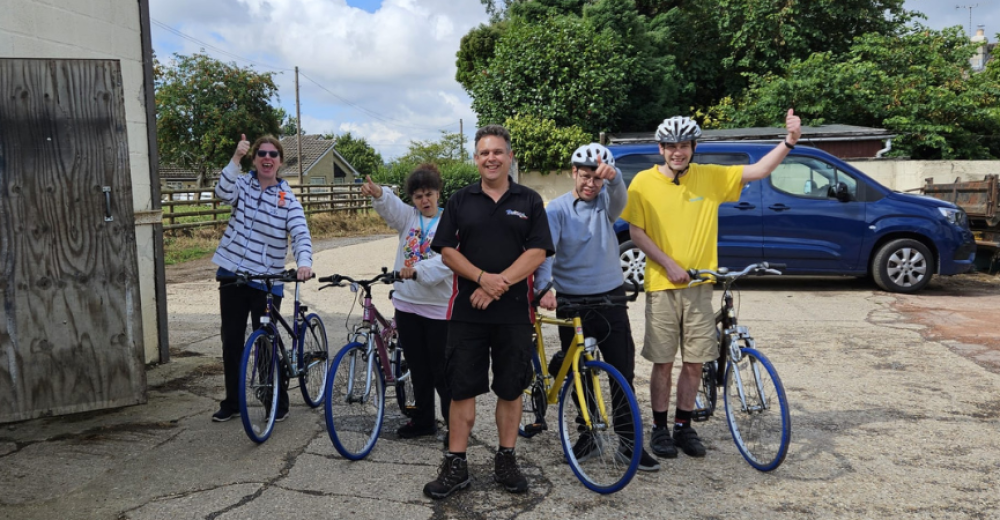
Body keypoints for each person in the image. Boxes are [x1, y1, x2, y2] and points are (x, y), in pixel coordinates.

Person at [621, 110, 801, 459]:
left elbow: (760, 170)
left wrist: (789, 141)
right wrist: (669, 264)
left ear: (692, 148)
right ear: (661, 148)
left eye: (684, 145)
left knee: (695, 362)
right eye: (671, 146)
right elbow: (636, 233)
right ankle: (659, 428)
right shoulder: (642, 182)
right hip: (661, 285)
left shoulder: (709, 177)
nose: (678, 152)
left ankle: (683, 426)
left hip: (700, 285)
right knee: (663, 361)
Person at [423, 124, 554, 499]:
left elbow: (537, 252)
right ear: (476, 159)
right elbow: (447, 250)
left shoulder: (530, 200)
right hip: (468, 313)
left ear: (509, 157)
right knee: (462, 389)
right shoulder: (461, 200)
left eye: (497, 152)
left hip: (514, 314)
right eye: (484, 153)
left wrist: (500, 285)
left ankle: (506, 458)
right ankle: (456, 464)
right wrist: (482, 278)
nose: (491, 158)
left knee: (511, 389)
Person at [534, 143, 660, 472]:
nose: (590, 183)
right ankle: (588, 435)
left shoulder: (607, 202)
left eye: (596, 178)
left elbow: (621, 195)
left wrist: (614, 177)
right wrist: (544, 287)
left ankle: (629, 443)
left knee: (622, 372)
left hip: (610, 298)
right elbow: (546, 253)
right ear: (573, 173)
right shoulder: (557, 209)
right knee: (581, 375)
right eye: (585, 176)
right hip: (572, 301)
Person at [210, 134, 313, 423]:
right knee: (231, 341)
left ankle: (274, 400)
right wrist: (235, 158)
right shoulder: (241, 183)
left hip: (266, 279)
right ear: (255, 159)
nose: (267, 158)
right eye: (262, 153)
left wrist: (304, 263)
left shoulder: (288, 198)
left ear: (280, 162)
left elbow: (300, 233)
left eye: (273, 154)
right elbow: (221, 192)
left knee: (266, 343)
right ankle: (233, 401)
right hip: (232, 272)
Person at [360, 165, 453, 443]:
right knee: (417, 367)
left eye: (429, 194)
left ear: (438, 193)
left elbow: (448, 261)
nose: (424, 201)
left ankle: (454, 426)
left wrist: (418, 271)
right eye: (418, 196)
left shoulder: (450, 221)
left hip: (438, 308)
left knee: (442, 370)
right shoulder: (408, 218)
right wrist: (379, 194)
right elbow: (391, 208)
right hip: (407, 305)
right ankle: (423, 421)